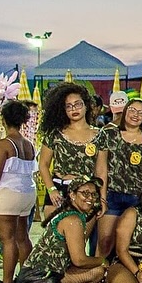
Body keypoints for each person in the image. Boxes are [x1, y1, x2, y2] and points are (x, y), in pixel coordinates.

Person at [2, 174, 108, 283]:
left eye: (93, 194)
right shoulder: (72, 220)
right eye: (85, 193)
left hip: (50, 276)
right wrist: (103, 259)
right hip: (38, 280)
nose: (90, 198)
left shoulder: (74, 215)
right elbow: (79, 260)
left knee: (98, 271)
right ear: (72, 195)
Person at [36, 82, 109, 219]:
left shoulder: (100, 135)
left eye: (77, 104)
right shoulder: (55, 133)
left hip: (86, 192)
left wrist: (102, 198)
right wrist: (51, 189)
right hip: (59, 190)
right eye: (68, 106)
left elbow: (101, 171)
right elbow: (43, 164)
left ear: (86, 105)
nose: (73, 109)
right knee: (56, 239)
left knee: (79, 239)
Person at [98, 98, 142, 258]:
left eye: (141, 112)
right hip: (112, 195)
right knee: (104, 243)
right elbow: (101, 168)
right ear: (125, 111)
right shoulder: (109, 134)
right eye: (132, 110)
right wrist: (102, 197)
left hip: (137, 198)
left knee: (130, 244)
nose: (136, 115)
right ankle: (97, 279)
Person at [0, 101, 37, 283]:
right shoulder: (28, 144)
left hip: (8, 193)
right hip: (27, 193)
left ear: (4, 119)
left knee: (7, 240)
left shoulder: (4, 144)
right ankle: (24, 279)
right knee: (22, 237)